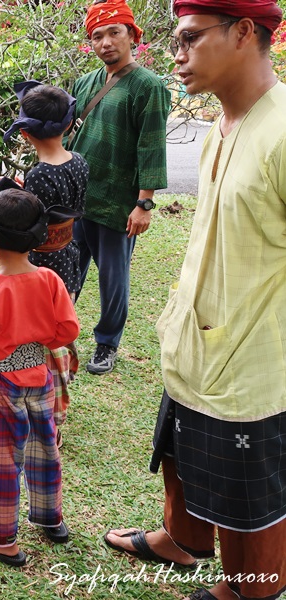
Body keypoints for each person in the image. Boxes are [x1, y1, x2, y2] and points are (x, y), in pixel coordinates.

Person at [104, 2, 286, 599]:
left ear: (242, 32)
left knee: (247, 489)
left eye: (188, 39)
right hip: (196, 337)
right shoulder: (222, 127)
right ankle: (181, 541)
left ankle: (246, 590)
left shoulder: (282, 131)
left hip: (255, 358)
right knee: (182, 448)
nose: (176, 55)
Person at [0, 182, 80, 568]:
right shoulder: (50, 281)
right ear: (38, 238)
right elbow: (68, 330)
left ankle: (3, 541)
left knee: (1, 461)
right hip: (39, 376)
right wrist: (34, 343)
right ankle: (50, 519)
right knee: (45, 449)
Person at [68, 0, 171, 374]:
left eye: (114, 32)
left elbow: (151, 146)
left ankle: (107, 344)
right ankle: (57, 334)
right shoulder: (85, 83)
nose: (106, 42)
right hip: (77, 200)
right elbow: (69, 139)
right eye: (97, 35)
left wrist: (144, 203)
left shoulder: (149, 86)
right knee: (66, 272)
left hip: (117, 204)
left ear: (132, 35)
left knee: (113, 279)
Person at [4, 81, 90, 439]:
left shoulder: (40, 175)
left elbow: (32, 227)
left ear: (25, 134)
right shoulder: (80, 162)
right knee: (60, 325)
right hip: (70, 256)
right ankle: (59, 388)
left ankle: (44, 406)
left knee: (34, 338)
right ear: (68, 126)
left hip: (41, 265)